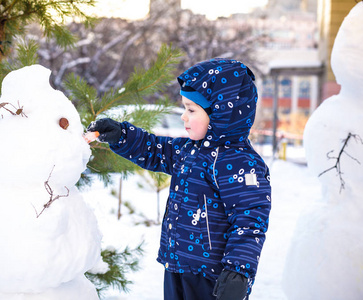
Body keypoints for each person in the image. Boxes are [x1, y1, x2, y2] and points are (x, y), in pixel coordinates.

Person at [87, 58, 271, 300]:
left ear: (221, 114)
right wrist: (122, 134)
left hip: (213, 277)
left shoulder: (242, 164)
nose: (184, 116)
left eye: (191, 110)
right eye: (184, 108)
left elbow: (249, 223)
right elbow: (154, 150)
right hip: (176, 266)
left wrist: (238, 271)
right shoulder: (188, 150)